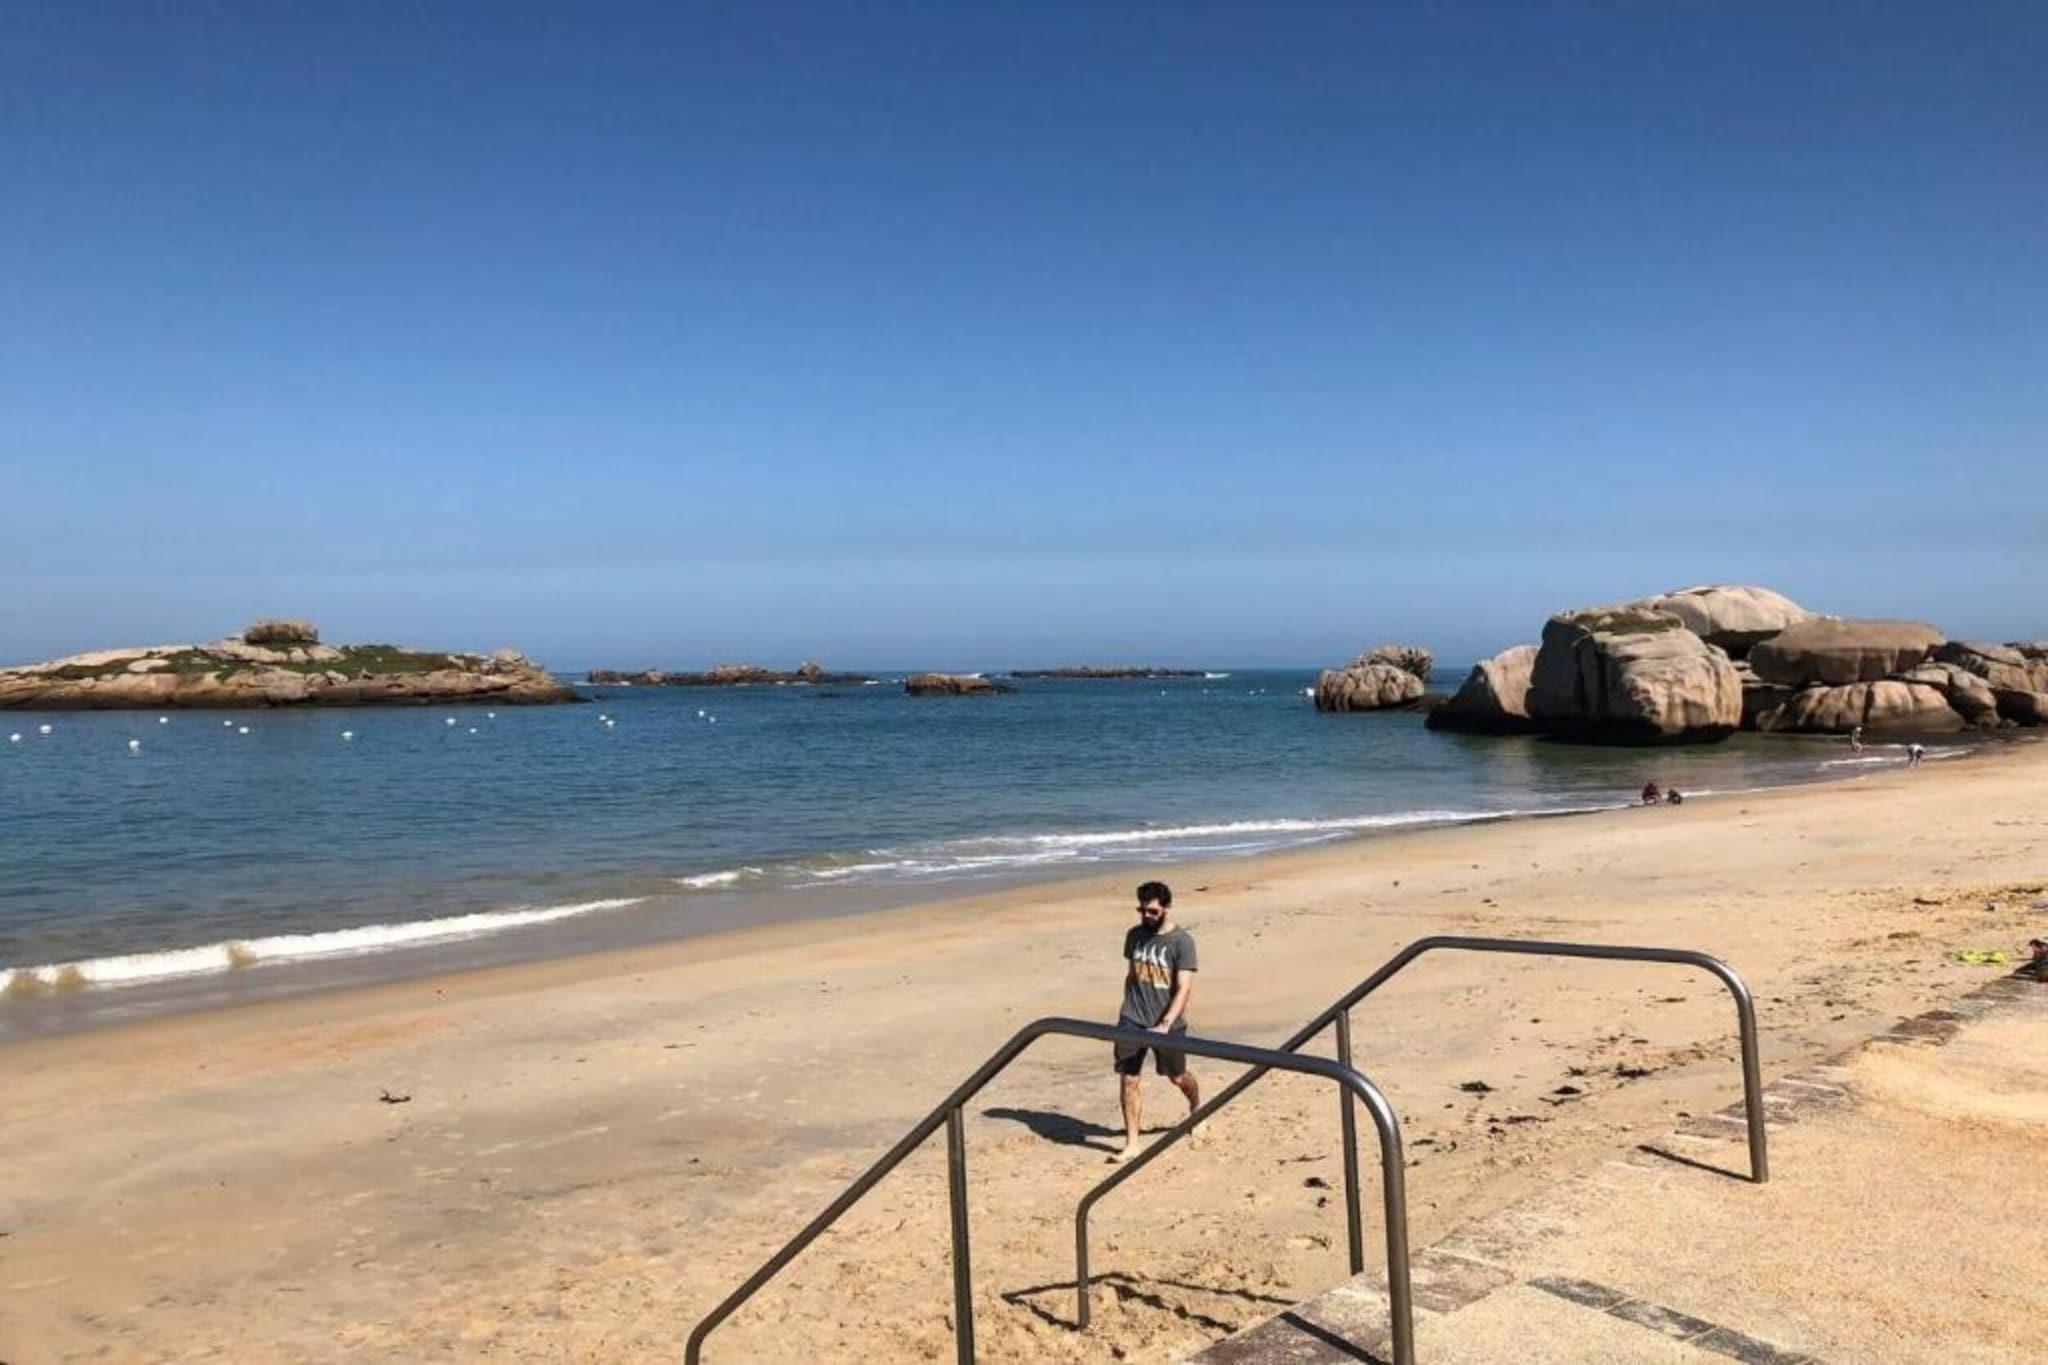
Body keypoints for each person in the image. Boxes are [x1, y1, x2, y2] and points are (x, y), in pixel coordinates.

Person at [1110, 881, 1200, 1163]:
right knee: (1129, 1080)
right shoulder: (1134, 936)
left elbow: (1184, 988)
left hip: (1168, 1023)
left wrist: (1166, 1023)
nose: (1146, 916)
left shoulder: (1181, 942)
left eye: (1152, 911)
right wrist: (1127, 1009)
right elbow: (1131, 975)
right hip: (1132, 1019)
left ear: (1166, 908)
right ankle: (1132, 1143)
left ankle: (1197, 1108)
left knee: (1177, 1077)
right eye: (1142, 911)